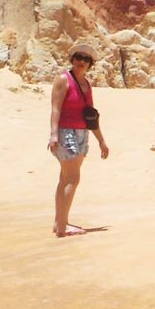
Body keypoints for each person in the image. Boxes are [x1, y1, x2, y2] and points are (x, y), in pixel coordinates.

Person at [48, 41, 109, 237]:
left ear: (90, 64)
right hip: (66, 132)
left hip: (83, 133)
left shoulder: (86, 84)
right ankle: (63, 227)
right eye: (78, 58)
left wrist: (101, 140)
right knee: (73, 178)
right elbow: (55, 108)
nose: (81, 62)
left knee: (65, 178)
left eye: (86, 59)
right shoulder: (62, 80)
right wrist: (53, 134)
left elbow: (90, 115)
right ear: (72, 59)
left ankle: (59, 222)